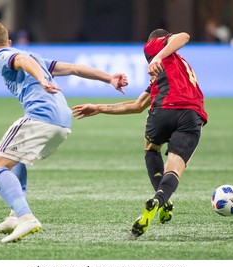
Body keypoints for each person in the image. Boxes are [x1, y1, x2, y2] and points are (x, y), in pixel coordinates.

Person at [0, 21, 128, 243]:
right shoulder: (34, 56)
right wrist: (109, 78)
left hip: (42, 116)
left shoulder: (2, 55)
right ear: (10, 41)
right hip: (62, 120)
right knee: (14, 157)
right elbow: (74, 68)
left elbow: (22, 60)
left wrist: (41, 80)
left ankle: (26, 217)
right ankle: (14, 215)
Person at [73, 29, 208, 238]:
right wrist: (99, 107)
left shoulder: (155, 47)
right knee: (174, 168)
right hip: (192, 116)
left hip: (164, 110)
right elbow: (137, 105)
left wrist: (157, 55)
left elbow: (184, 36)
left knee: (151, 148)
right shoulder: (175, 68)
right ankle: (161, 199)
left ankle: (161, 202)